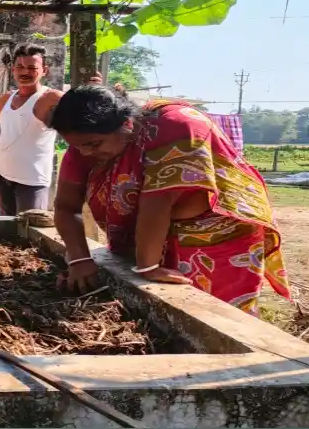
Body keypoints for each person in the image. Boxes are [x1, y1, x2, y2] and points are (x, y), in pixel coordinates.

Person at [50, 84, 291, 315]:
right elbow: (66, 206)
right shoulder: (84, 144)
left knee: (213, 313)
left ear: (126, 124)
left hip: (214, 232)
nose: (85, 153)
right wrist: (80, 259)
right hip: (150, 235)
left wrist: (147, 266)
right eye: (77, 146)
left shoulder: (175, 125)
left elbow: (158, 201)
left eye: (93, 144)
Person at [0, 43, 99, 215]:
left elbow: (81, 112)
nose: (25, 72)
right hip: (2, 174)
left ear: (44, 70)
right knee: (5, 231)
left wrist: (92, 92)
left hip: (32, 180)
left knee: (31, 230)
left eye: (32, 68)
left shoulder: (50, 98)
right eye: (20, 67)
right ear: (13, 69)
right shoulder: (6, 98)